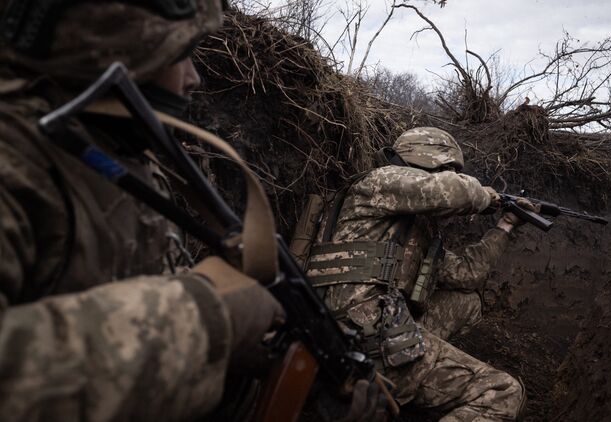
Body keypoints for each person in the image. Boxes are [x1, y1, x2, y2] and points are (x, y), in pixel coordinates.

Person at [0, 1, 383, 420]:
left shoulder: (121, 160)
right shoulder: (17, 162)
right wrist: (206, 320)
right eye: (178, 54)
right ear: (113, 49)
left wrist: (265, 383)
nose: (192, 78)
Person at [307, 127, 538, 421]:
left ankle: (419, 381)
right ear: (430, 163)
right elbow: (453, 191)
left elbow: (467, 274)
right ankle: (414, 379)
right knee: (503, 393)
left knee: (468, 302)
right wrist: (489, 197)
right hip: (358, 334)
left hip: (369, 324)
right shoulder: (382, 180)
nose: (453, 176)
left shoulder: (411, 231)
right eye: (449, 170)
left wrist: (505, 225)